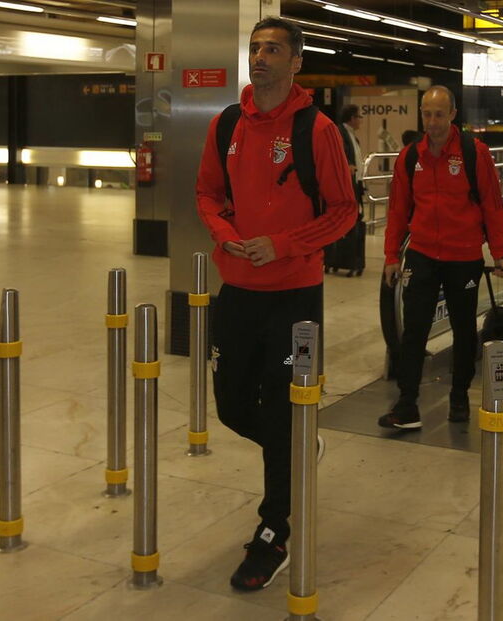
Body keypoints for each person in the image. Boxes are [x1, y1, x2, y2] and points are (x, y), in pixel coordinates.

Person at [195, 17, 356, 592]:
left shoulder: (318, 131)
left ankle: (273, 530)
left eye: (273, 50)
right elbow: (207, 192)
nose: (260, 57)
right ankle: (296, 447)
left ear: (295, 63)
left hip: (295, 297)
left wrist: (283, 244)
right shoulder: (226, 124)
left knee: (285, 406)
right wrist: (222, 230)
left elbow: (344, 211)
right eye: (255, 48)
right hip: (238, 289)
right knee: (233, 405)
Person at [379, 86, 503, 430]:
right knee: (414, 331)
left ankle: (459, 396)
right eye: (426, 114)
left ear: (452, 115)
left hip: (463, 256)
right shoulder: (411, 157)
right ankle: (407, 404)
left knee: (464, 330)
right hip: (422, 255)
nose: (432, 122)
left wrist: (500, 253)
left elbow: (492, 205)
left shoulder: (473, 153)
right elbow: (397, 211)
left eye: (439, 114)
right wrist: (392, 255)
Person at [338, 104, 365, 205]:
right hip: (348, 178)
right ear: (352, 118)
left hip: (355, 178)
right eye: (359, 117)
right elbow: (340, 152)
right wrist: (348, 164)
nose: (360, 121)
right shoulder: (340, 132)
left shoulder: (352, 135)